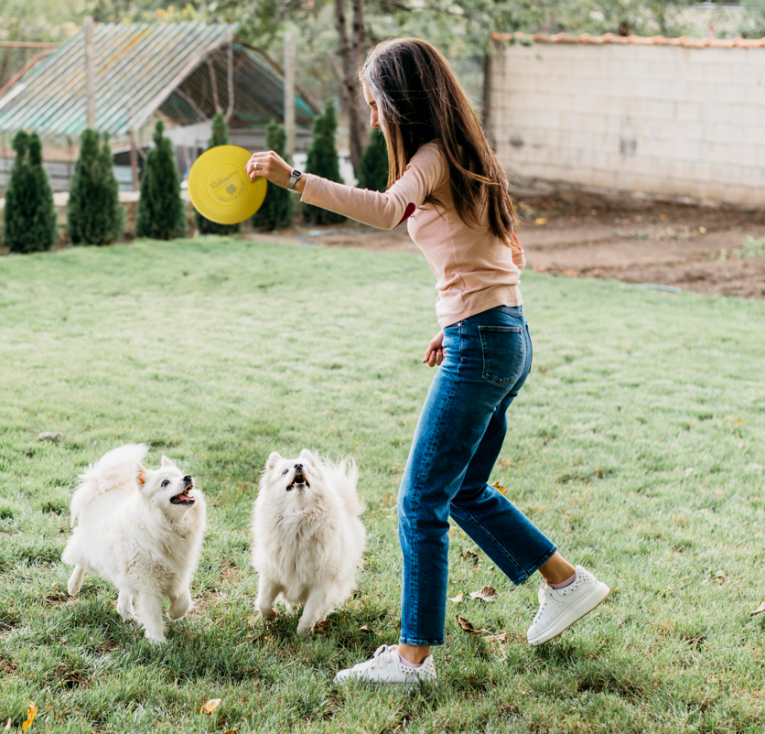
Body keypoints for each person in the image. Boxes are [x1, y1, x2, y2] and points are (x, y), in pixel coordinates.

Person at [245, 38, 610, 687]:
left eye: (375, 104)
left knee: (419, 501)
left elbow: (388, 211)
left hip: (487, 339)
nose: (375, 118)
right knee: (462, 489)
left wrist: (292, 178)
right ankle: (566, 583)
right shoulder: (467, 155)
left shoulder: (433, 157)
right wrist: (459, 321)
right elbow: (504, 252)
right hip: (501, 333)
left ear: (399, 99)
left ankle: (413, 660)